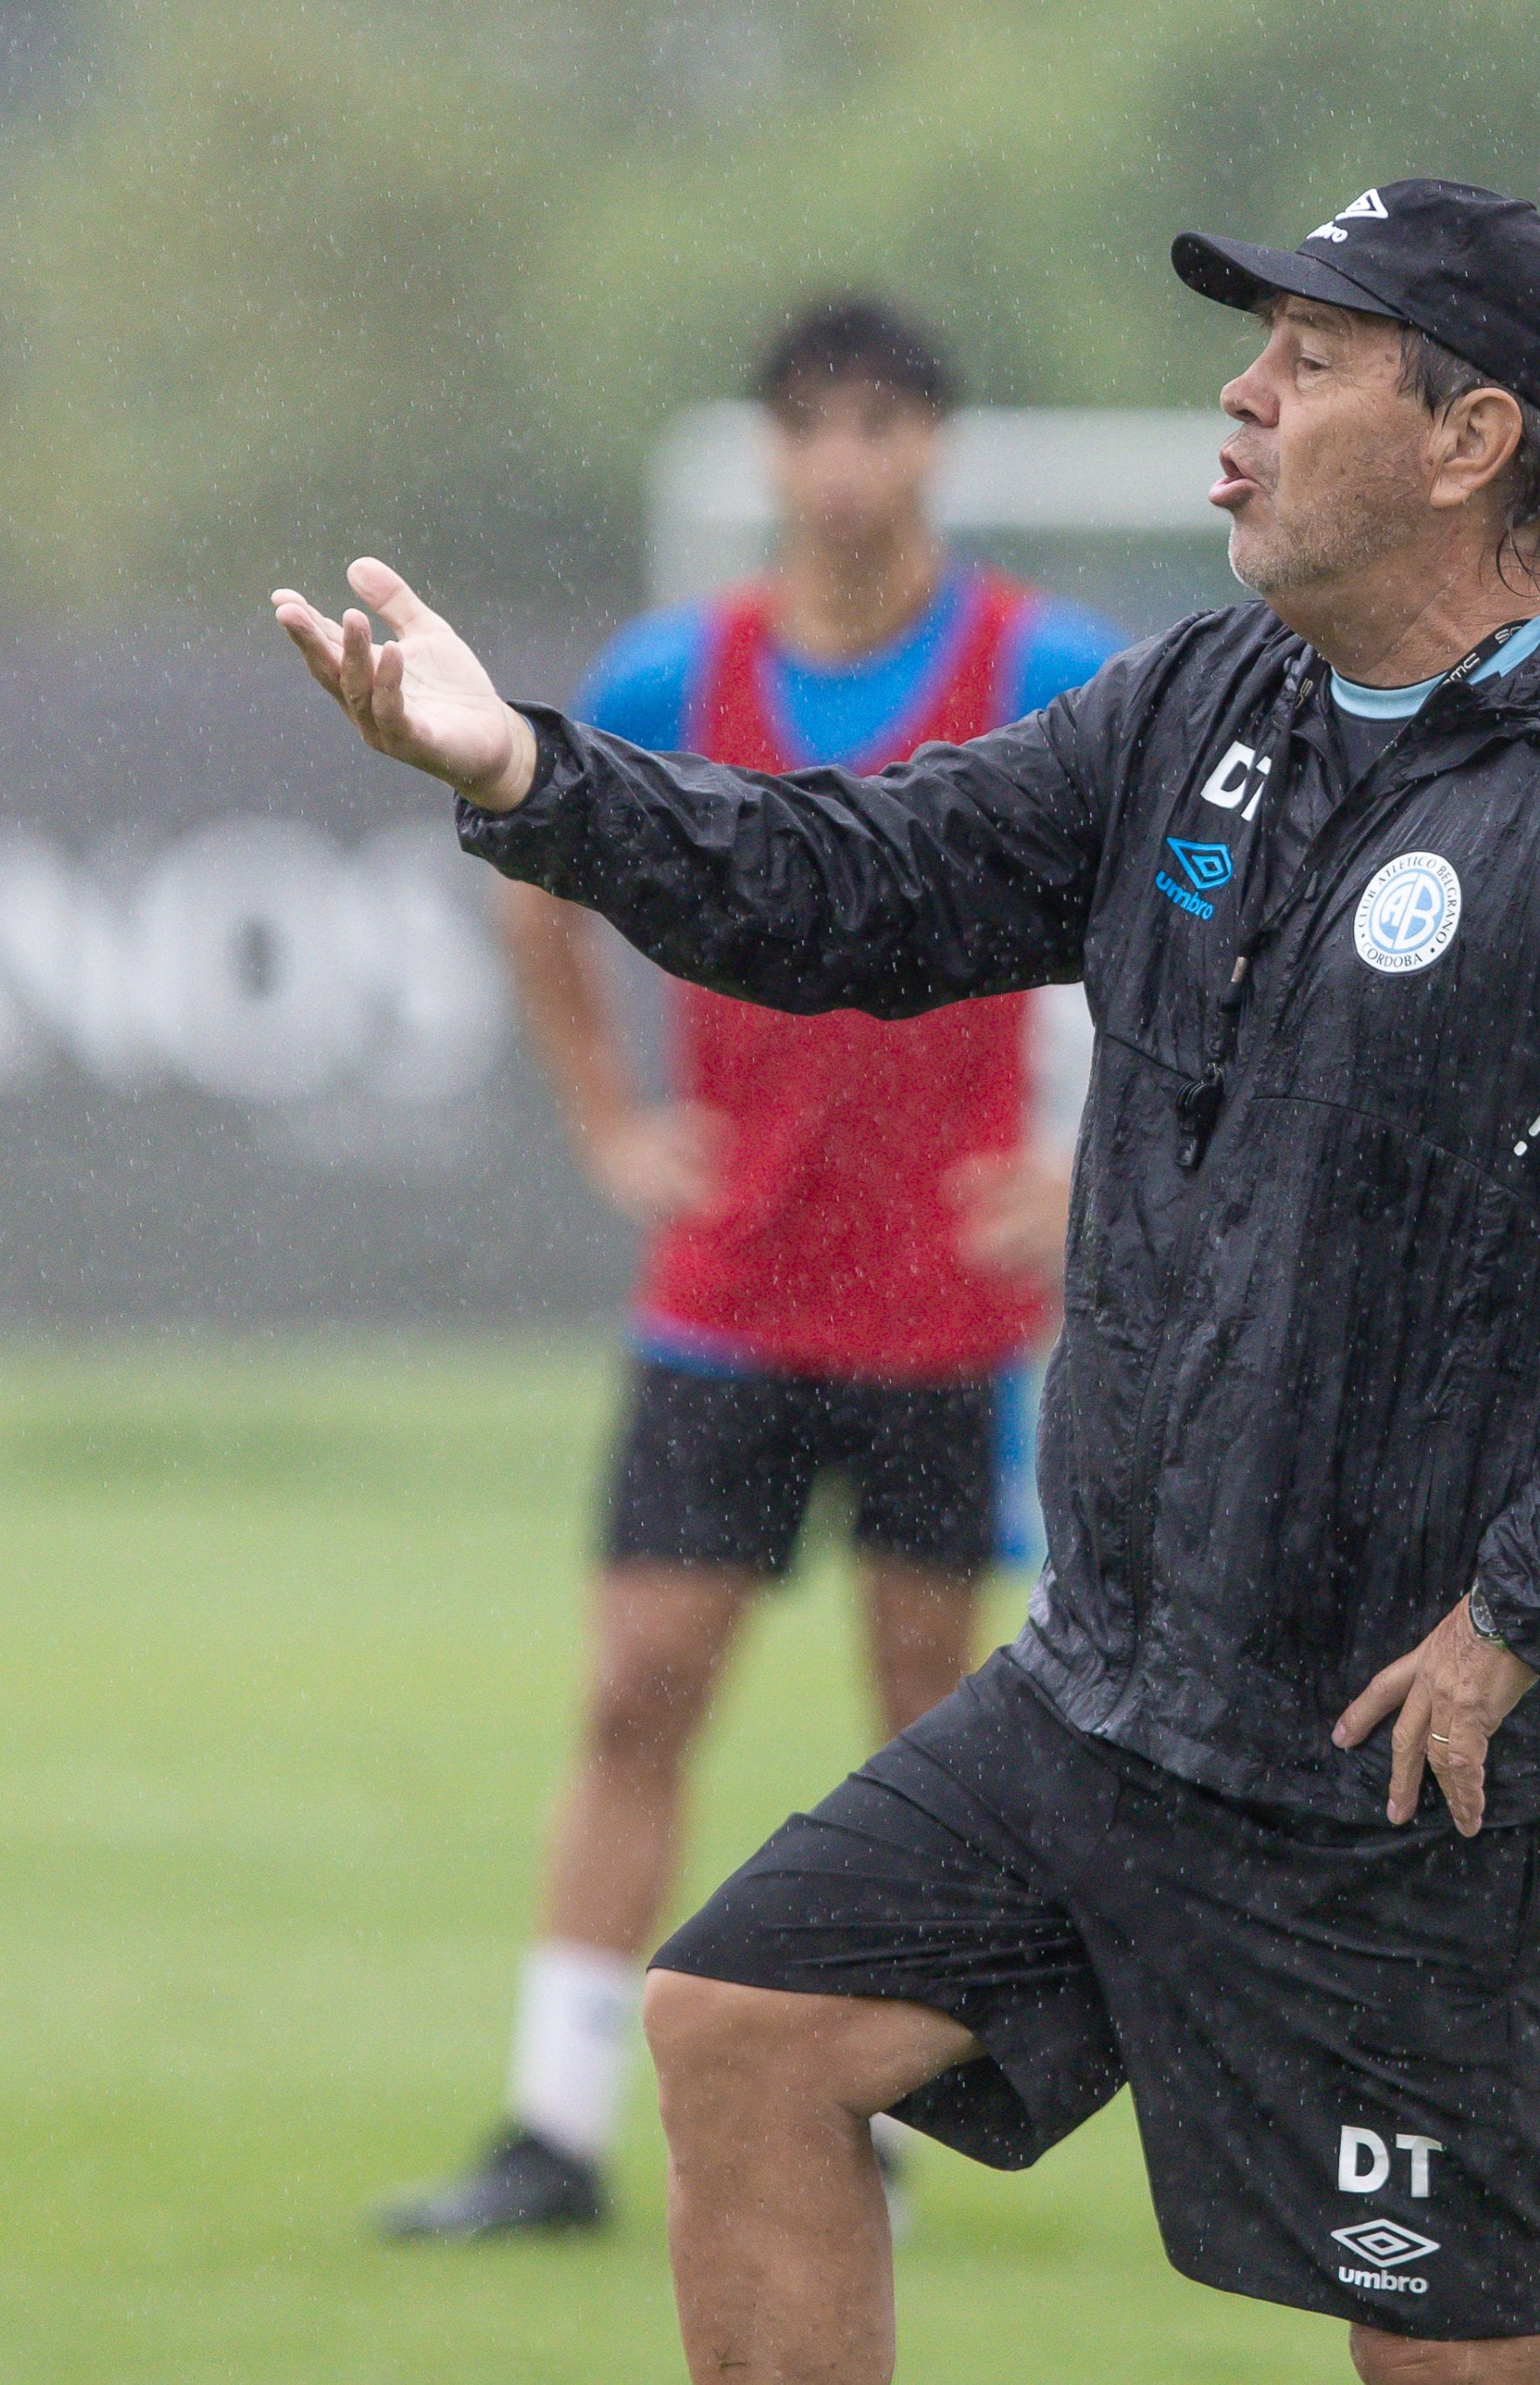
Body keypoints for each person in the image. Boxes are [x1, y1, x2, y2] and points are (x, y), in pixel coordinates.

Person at [277, 177, 1540, 2385]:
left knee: (1447, 2353)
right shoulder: (1209, 703)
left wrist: (1531, 1608)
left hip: (1402, 1758)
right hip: (1125, 1695)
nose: (1235, 401)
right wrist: (531, 777)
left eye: (1308, 359)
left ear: (1468, 438)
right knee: (742, 2032)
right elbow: (861, 880)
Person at [376, 294, 1126, 2241]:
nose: (849, 462)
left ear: (934, 450)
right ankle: (552, 2127)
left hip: (946, 1307)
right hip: (730, 1291)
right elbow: (528, 864)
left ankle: (858, 2109)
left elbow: (1174, 918)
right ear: (771, 454)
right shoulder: (666, 671)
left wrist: (1085, 1162)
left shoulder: (1042, 666)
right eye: (816, 425)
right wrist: (608, 1121)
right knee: (639, 1689)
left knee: (921, 1716)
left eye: (884, 422)